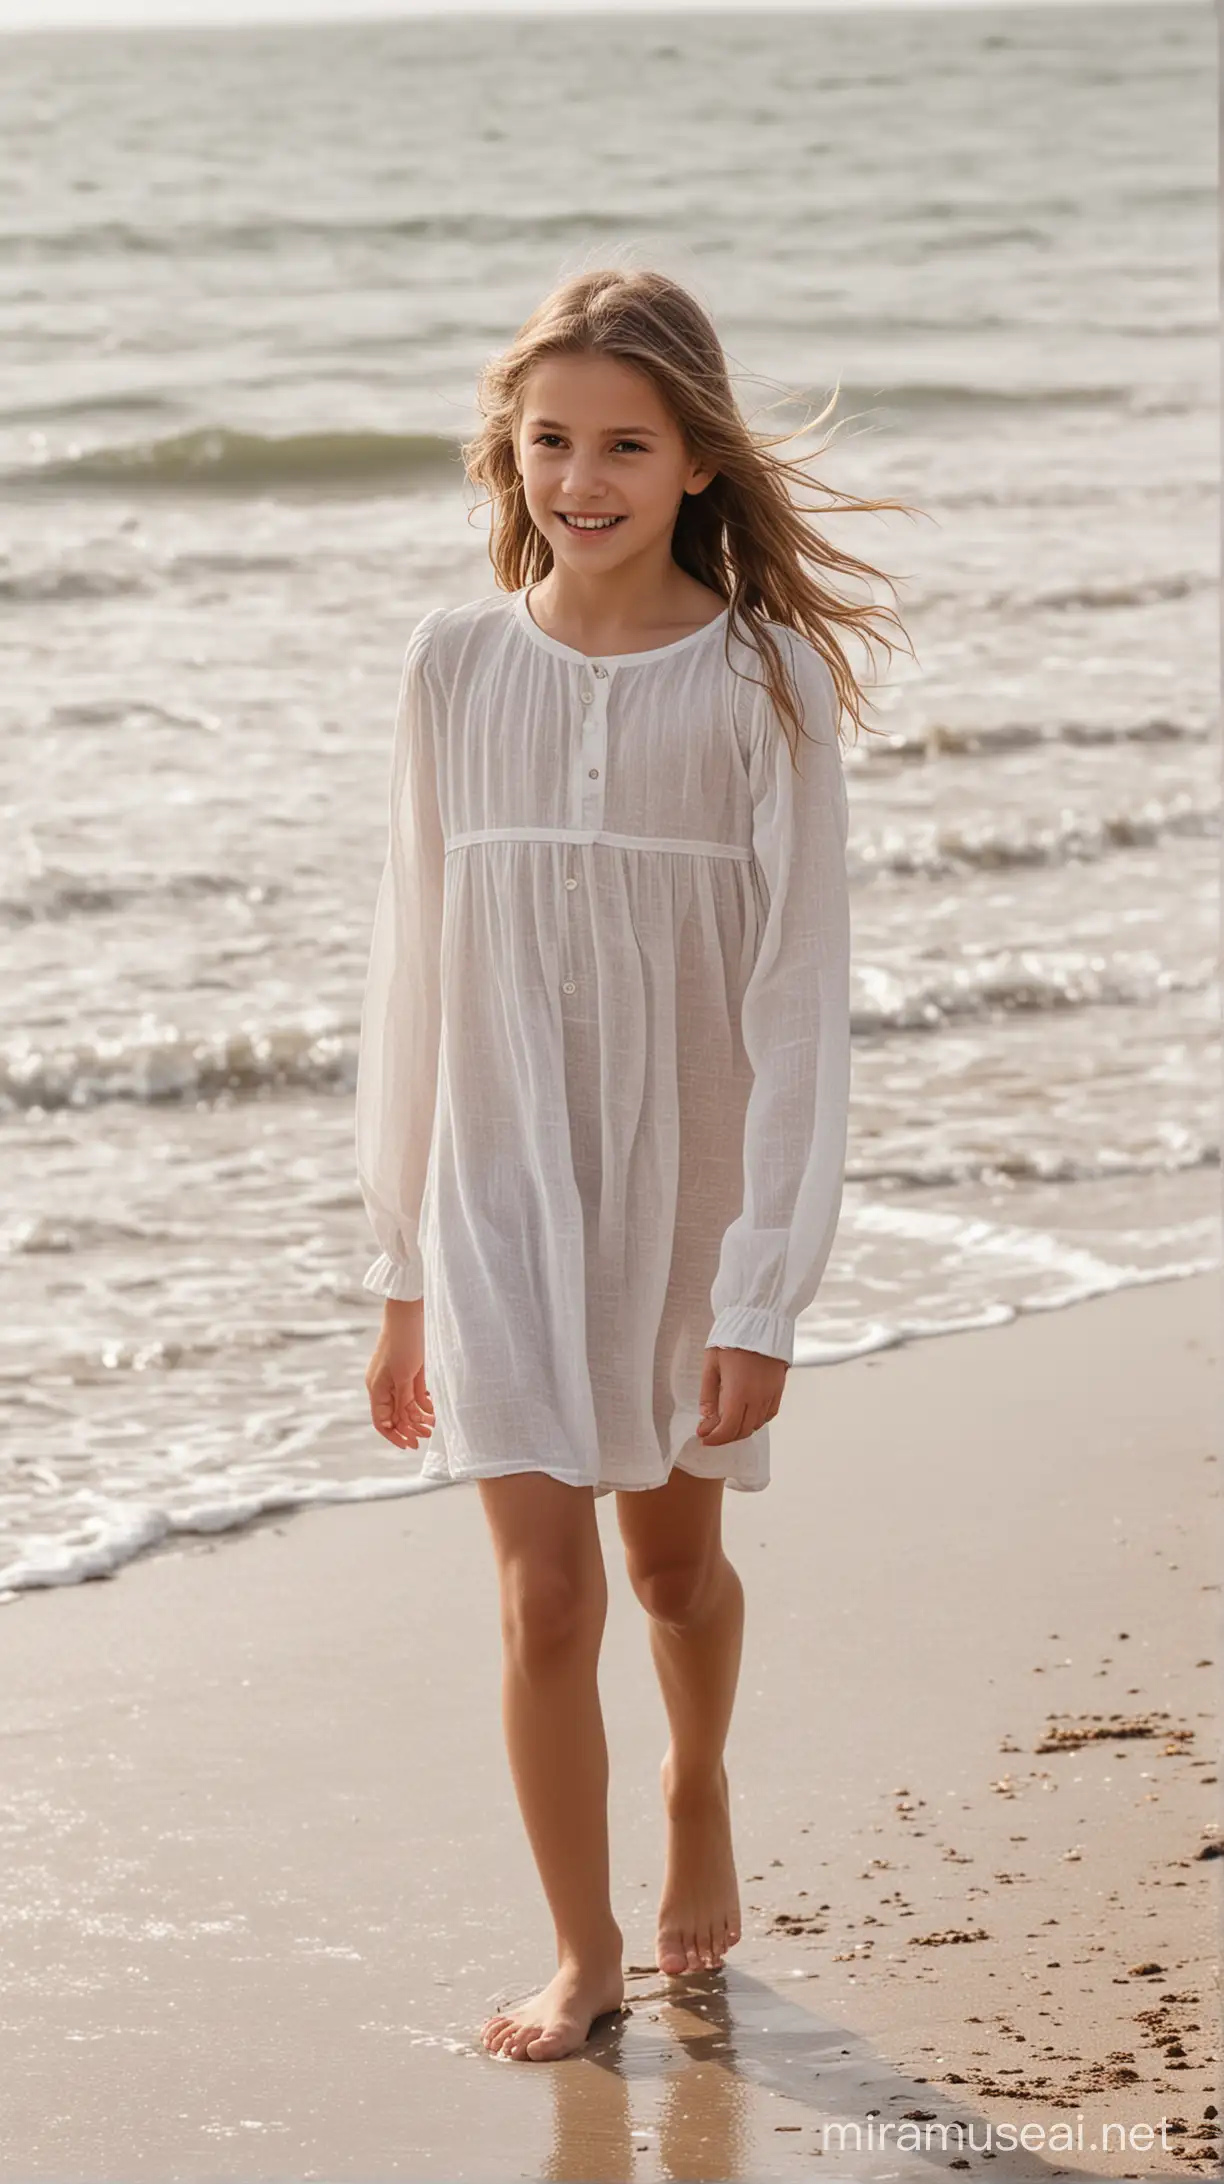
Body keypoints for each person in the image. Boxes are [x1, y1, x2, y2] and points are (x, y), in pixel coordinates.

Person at [354, 267, 915, 2064]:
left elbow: (798, 990)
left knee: (671, 1581)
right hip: (499, 1187)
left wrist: (765, 1280)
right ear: (506, 452)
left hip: (692, 1199)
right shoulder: (452, 666)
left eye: (623, 444)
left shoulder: (762, 682)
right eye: (548, 441)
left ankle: (696, 1783)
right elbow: (412, 960)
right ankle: (585, 1956)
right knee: (542, 1596)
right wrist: (398, 1263)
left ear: (694, 462)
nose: (578, 479)